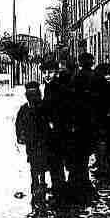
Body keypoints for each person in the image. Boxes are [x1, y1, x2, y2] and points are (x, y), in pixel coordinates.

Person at [67, 52, 101, 204]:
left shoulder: (77, 78)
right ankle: (83, 183)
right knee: (85, 153)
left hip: (80, 121)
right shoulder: (97, 77)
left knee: (78, 155)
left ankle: (78, 185)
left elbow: (73, 101)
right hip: (92, 121)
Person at [15, 82, 49, 204]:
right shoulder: (24, 109)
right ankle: (36, 184)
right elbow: (18, 124)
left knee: (42, 161)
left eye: (34, 93)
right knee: (34, 162)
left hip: (42, 140)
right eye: (30, 93)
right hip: (31, 141)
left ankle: (41, 183)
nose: (32, 96)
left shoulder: (43, 107)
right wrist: (20, 136)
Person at [40, 60, 68, 200]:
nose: (47, 75)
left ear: (56, 73)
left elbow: (60, 108)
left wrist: (52, 122)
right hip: (53, 130)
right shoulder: (49, 86)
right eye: (44, 72)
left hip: (57, 130)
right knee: (54, 160)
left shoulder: (57, 87)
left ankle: (59, 188)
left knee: (55, 159)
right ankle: (58, 185)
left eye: (50, 72)